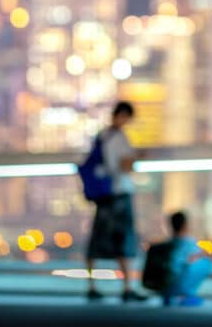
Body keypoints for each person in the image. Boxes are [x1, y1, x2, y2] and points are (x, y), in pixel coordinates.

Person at [86, 101, 147, 303]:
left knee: (98, 238)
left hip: (104, 194)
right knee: (124, 240)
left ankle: (92, 286)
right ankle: (128, 287)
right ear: (122, 115)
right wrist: (137, 157)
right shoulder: (118, 138)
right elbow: (124, 165)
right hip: (119, 192)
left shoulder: (102, 136)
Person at [164, 211, 212, 307]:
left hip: (164, 286)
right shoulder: (189, 243)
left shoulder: (166, 244)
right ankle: (185, 295)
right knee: (206, 263)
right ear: (185, 225)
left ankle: (172, 295)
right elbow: (197, 256)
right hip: (177, 283)